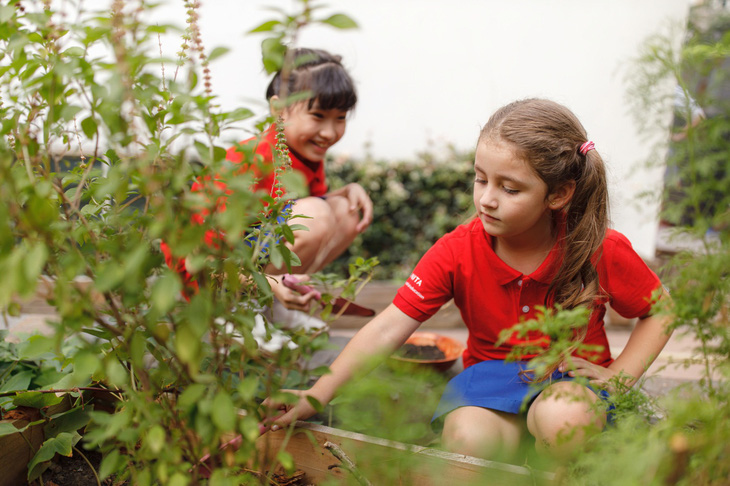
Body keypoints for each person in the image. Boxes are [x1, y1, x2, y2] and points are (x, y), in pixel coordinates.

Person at [264, 98, 673, 461]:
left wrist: (621, 374)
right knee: (466, 441)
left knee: (563, 420)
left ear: (559, 194)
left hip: (572, 384)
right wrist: (317, 394)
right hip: (490, 380)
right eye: (481, 179)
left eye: (509, 188)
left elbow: (661, 312)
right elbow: (390, 325)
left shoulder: (596, 246)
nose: (486, 199)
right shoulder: (457, 250)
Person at [162, 48, 373, 317]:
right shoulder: (250, 162)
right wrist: (268, 282)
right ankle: (242, 313)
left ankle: (271, 307)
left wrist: (348, 190)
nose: (330, 133)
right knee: (317, 216)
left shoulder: (303, 153)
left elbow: (306, 207)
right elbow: (198, 261)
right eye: (318, 116)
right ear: (278, 109)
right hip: (205, 278)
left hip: (248, 263)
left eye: (340, 118)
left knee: (346, 211)